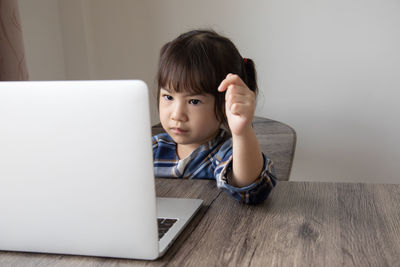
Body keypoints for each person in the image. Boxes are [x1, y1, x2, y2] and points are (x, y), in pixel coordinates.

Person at [152, 29, 277, 204]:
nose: (177, 114)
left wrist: (242, 132)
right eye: (168, 97)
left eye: (194, 101)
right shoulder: (152, 149)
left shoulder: (223, 152)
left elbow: (251, 188)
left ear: (225, 102)